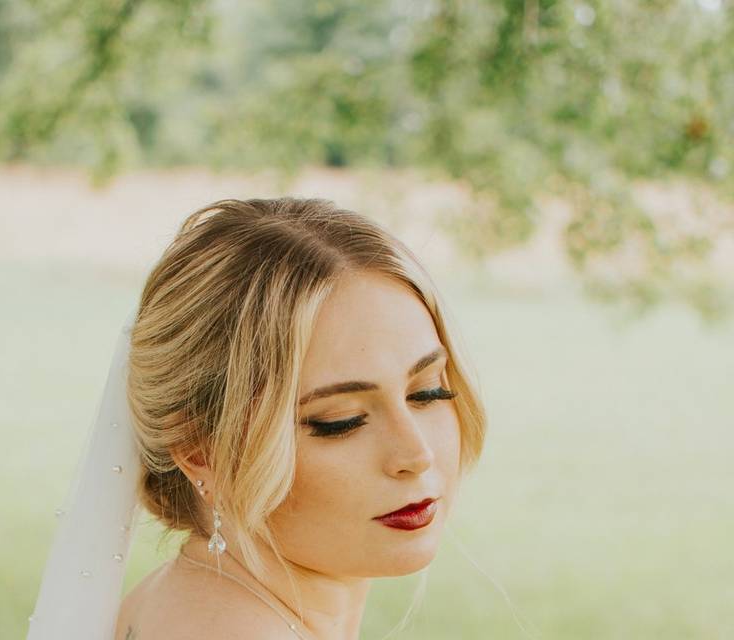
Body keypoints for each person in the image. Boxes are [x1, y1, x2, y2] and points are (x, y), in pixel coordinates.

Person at [26, 197, 487, 640]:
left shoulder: (176, 601)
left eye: (428, 391)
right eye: (340, 421)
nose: (416, 454)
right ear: (200, 452)